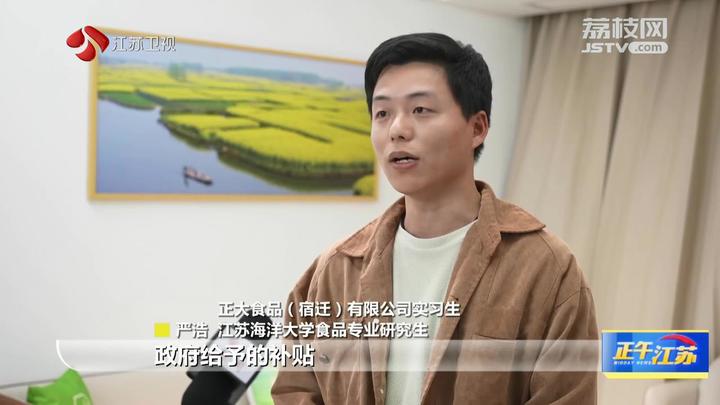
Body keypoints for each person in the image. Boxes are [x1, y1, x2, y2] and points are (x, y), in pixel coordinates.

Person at [271, 32, 598, 405]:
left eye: (421, 110)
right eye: (382, 113)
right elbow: (295, 390)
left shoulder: (545, 268)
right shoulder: (336, 269)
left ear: (477, 128)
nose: (397, 130)